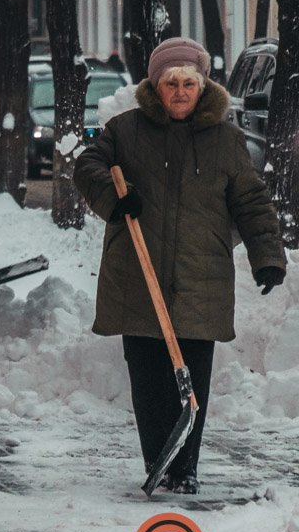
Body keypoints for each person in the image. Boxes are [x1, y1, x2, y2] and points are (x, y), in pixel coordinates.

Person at [74, 36, 286, 494]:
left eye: (189, 82)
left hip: (200, 280)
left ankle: (185, 467)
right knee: (149, 382)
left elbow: (251, 200)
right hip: (139, 277)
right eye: (171, 83)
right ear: (156, 86)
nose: (180, 92)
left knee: (193, 383)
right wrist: (114, 196)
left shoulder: (226, 140)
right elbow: (88, 165)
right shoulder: (126, 130)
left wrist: (267, 257)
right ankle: (158, 460)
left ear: (203, 84)